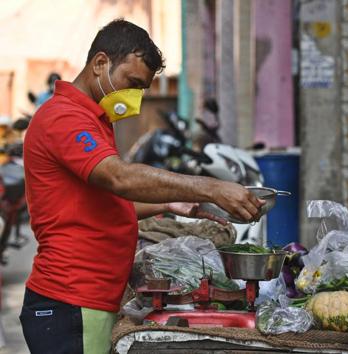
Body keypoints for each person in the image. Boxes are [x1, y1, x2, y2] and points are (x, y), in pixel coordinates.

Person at [20, 19, 264, 354]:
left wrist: (168, 204)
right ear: (100, 63)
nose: (134, 97)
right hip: (71, 300)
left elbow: (103, 205)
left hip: (89, 298)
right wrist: (209, 187)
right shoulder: (64, 117)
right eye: (131, 83)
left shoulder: (94, 119)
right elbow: (120, 178)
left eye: (141, 89)